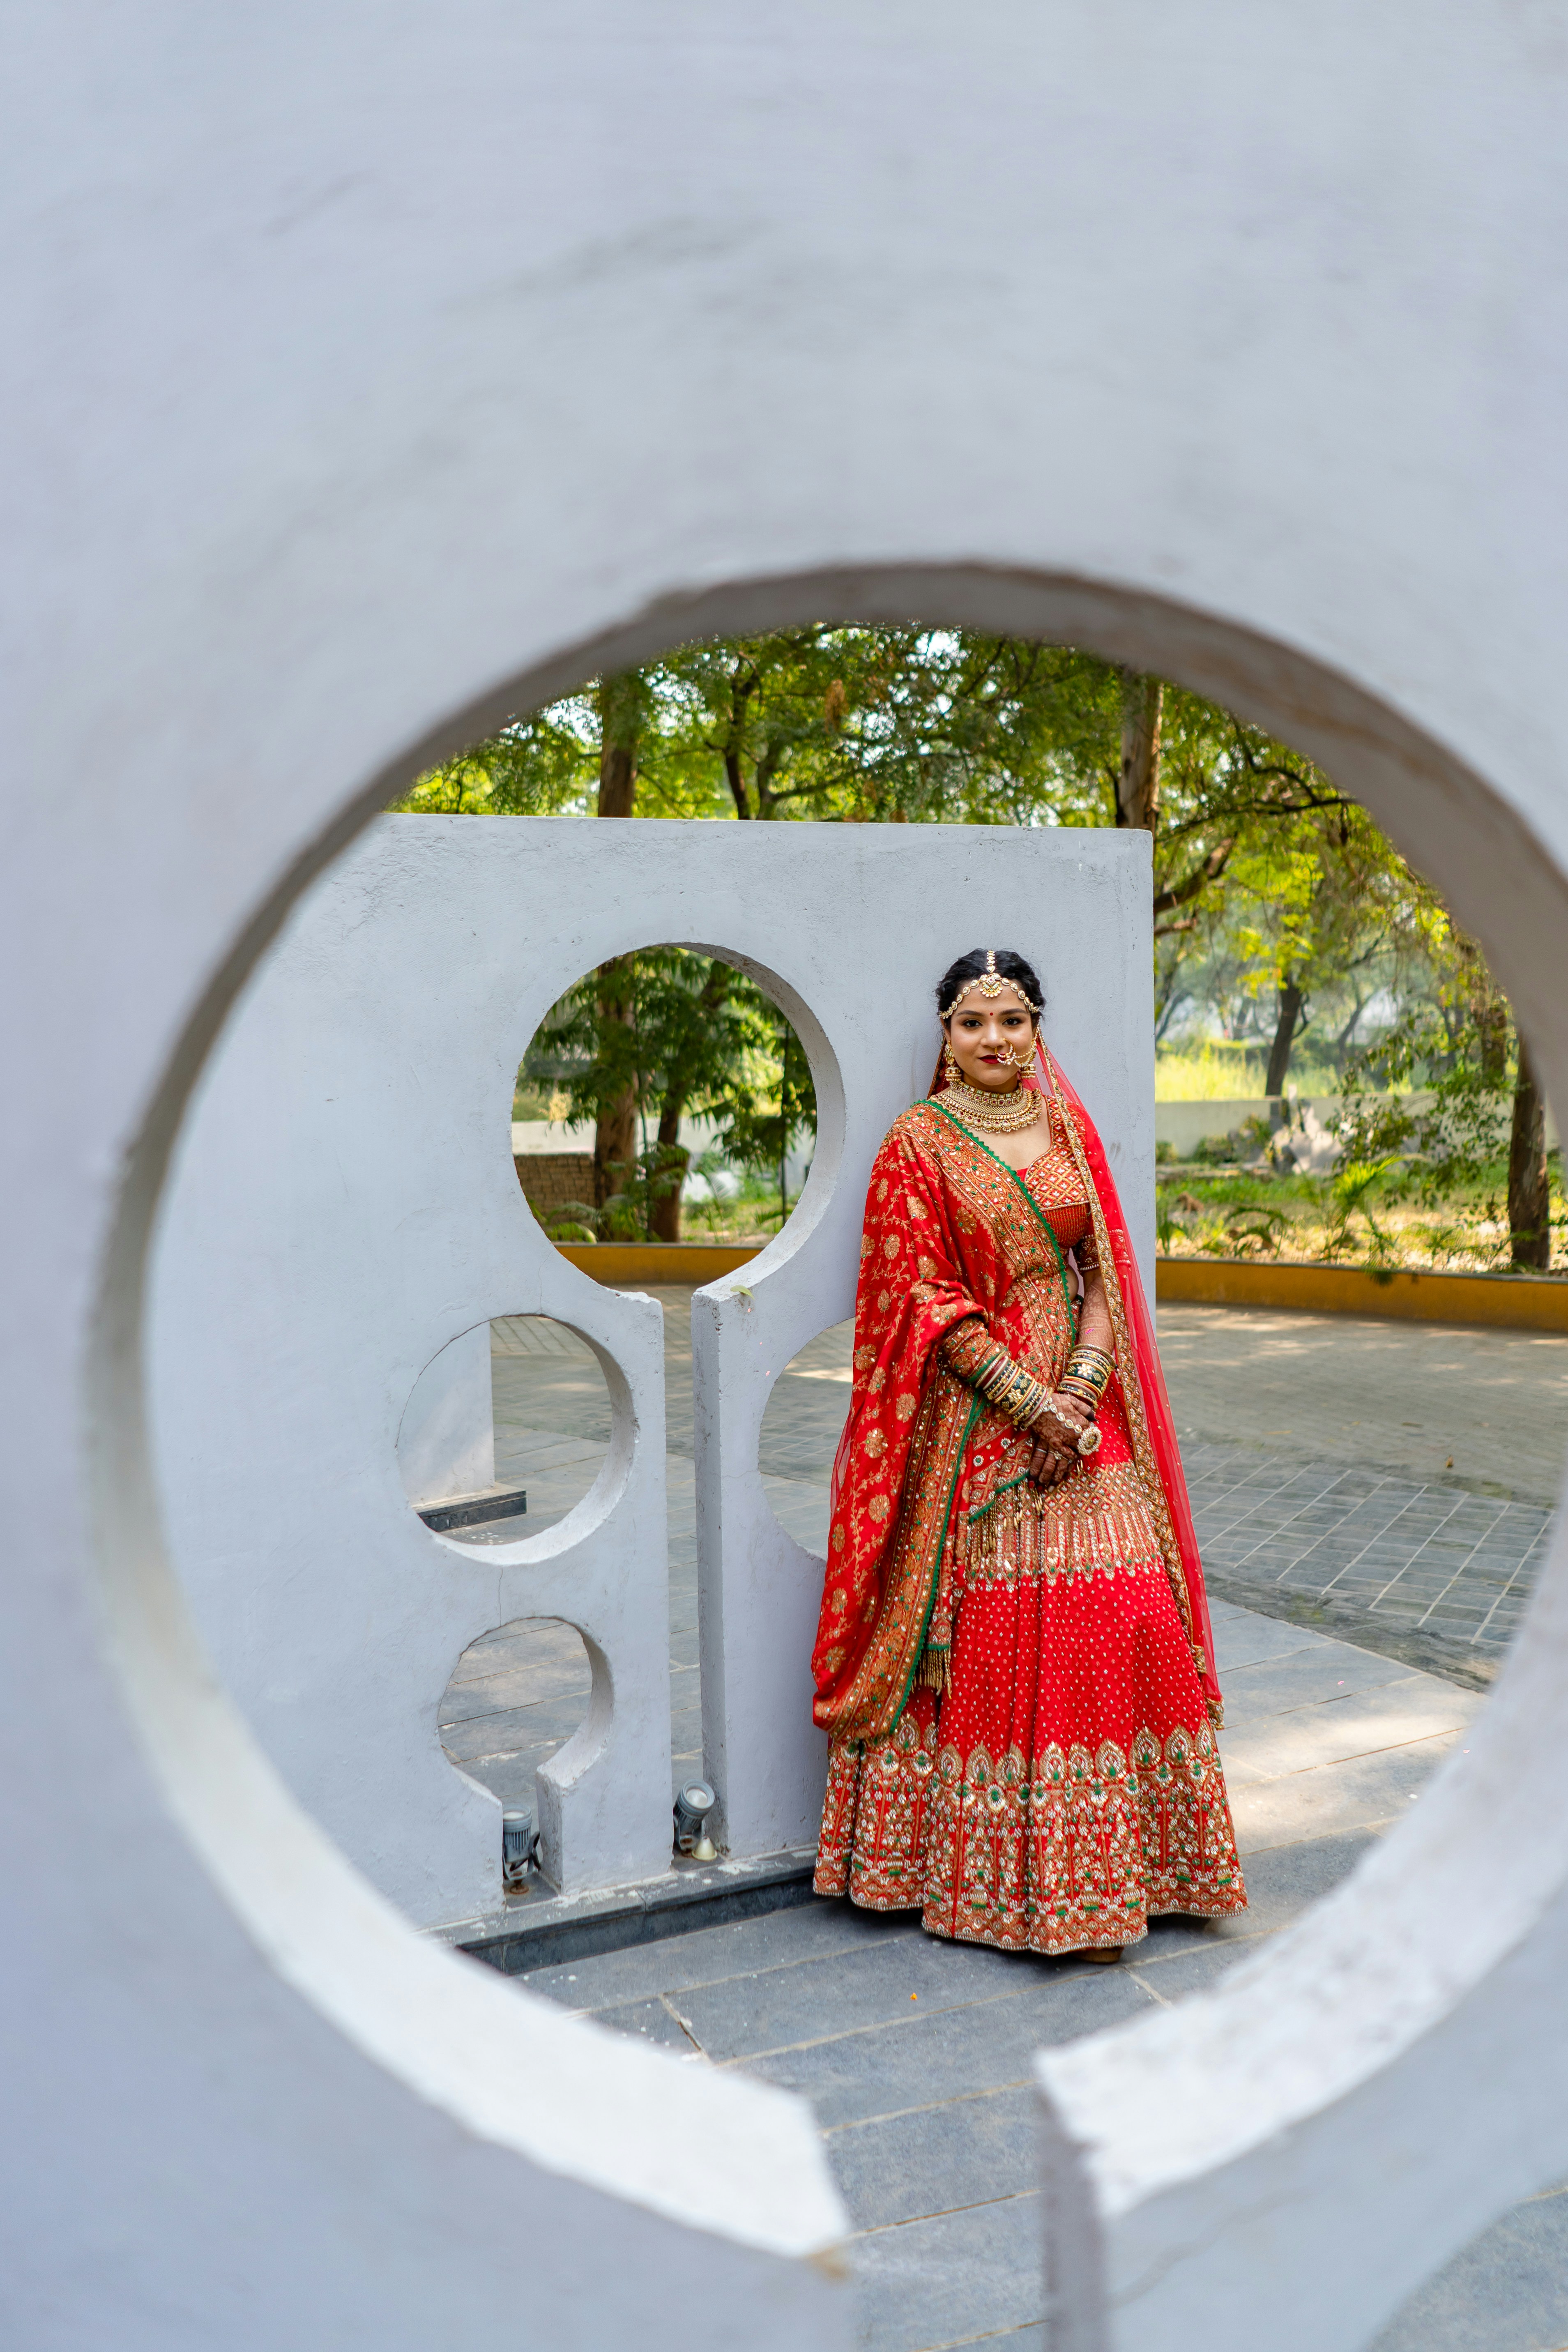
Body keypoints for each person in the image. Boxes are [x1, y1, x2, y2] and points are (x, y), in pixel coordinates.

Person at [811, 949, 1246, 1960]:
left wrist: (1080, 1396)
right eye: (973, 1022)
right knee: (1000, 1634)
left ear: (1036, 1028)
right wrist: (1028, 1408)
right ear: (946, 1034)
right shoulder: (918, 1143)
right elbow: (921, 1297)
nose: (994, 1039)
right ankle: (998, 1880)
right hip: (975, 1430)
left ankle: (1136, 1867)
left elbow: (1101, 1273)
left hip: (1085, 1417)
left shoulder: (1067, 1129)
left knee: (1127, 1612)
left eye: (1011, 1019)